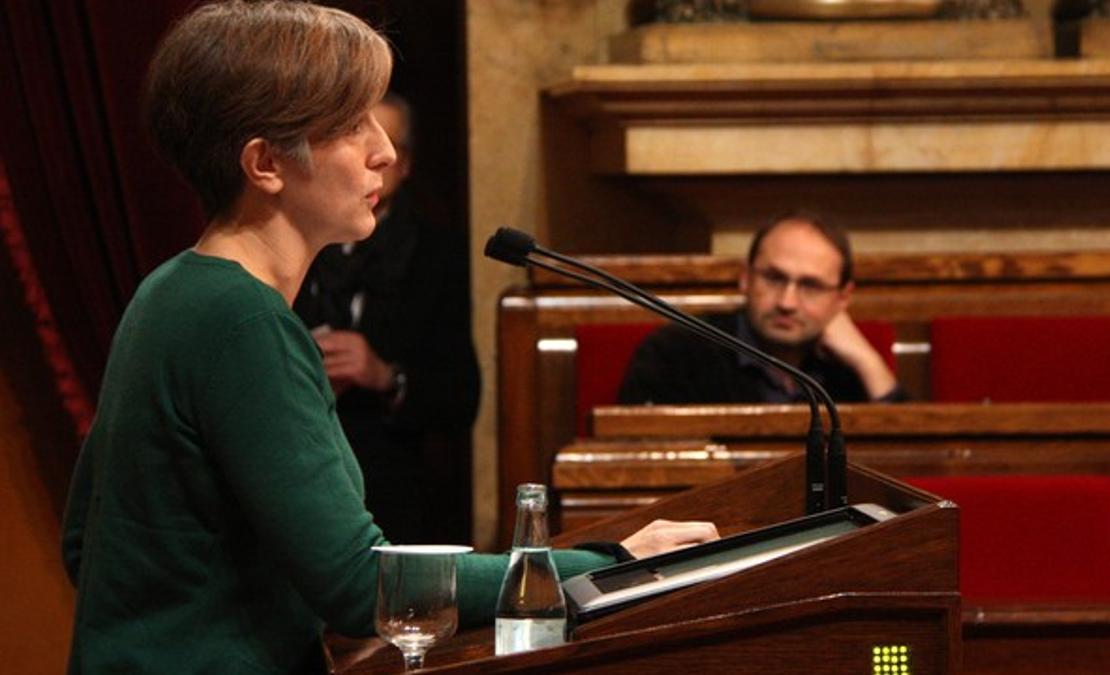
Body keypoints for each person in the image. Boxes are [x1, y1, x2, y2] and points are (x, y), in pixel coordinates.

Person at [60, 3, 717, 673]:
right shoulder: (241, 319)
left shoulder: (169, 290)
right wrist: (615, 562)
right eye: (351, 124)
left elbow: (87, 543)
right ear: (264, 163)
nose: (385, 150)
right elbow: (361, 585)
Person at [292, 93, 479, 544]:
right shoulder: (295, 237)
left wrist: (385, 375)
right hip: (300, 464)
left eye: (389, 150)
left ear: (406, 162)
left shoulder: (436, 254)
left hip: (392, 478)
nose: (375, 162)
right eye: (355, 145)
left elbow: (460, 396)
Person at [618, 214, 905, 405]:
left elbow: (913, 466)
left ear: (842, 298)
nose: (787, 303)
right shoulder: (677, 353)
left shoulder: (847, 372)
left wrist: (868, 362)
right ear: (746, 278)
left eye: (811, 286)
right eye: (774, 278)